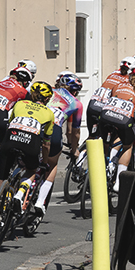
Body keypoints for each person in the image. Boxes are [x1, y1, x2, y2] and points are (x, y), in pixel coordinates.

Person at [0, 81, 55, 237]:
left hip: (11, 140)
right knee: (32, 169)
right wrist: (44, 163)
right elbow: (46, 144)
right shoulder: (48, 113)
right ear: (47, 99)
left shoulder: (19, 104)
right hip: (31, 144)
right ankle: (20, 194)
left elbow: (10, 124)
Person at [99, 61, 135, 192]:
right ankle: (118, 182)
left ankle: (109, 163)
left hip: (105, 115)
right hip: (124, 119)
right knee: (128, 145)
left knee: (115, 137)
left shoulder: (118, 85)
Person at [40, 73, 83, 215]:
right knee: (52, 165)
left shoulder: (49, 90)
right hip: (53, 129)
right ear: (75, 91)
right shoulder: (76, 103)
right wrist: (74, 149)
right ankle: (40, 202)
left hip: (34, 123)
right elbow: (74, 132)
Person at [85, 57, 135, 139]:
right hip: (105, 108)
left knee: (92, 137)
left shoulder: (113, 73)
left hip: (93, 104)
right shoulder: (129, 80)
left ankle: (82, 151)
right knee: (116, 135)